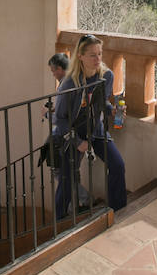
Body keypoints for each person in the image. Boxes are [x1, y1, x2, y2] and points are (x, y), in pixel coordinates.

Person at [53, 34, 126, 218]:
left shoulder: (107, 76)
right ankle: (58, 222)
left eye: (100, 54)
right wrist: (77, 142)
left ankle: (117, 211)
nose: (98, 59)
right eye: (92, 55)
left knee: (117, 165)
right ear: (80, 56)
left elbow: (101, 102)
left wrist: (111, 110)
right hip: (73, 133)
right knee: (67, 178)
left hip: (96, 130)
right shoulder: (69, 83)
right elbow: (59, 119)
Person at [45, 52, 91, 211]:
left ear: (59, 68)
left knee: (60, 172)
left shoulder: (66, 84)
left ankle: (81, 202)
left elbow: (62, 119)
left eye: (53, 71)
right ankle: (76, 206)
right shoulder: (74, 81)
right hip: (74, 136)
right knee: (71, 171)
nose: (53, 74)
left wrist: (49, 115)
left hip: (68, 137)